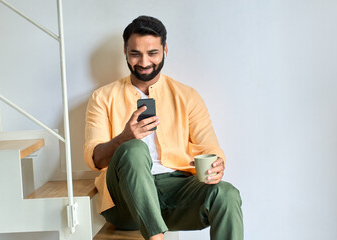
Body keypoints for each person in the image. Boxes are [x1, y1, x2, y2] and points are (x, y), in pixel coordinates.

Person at [84, 15, 243, 240]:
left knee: (226, 194)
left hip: (175, 193)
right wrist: (124, 138)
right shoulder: (102, 97)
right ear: (125, 52)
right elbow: (95, 158)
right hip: (124, 202)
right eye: (135, 53)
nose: (144, 62)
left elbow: (210, 146)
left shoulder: (187, 96)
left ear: (165, 49)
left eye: (152, 53)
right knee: (134, 149)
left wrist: (217, 164)